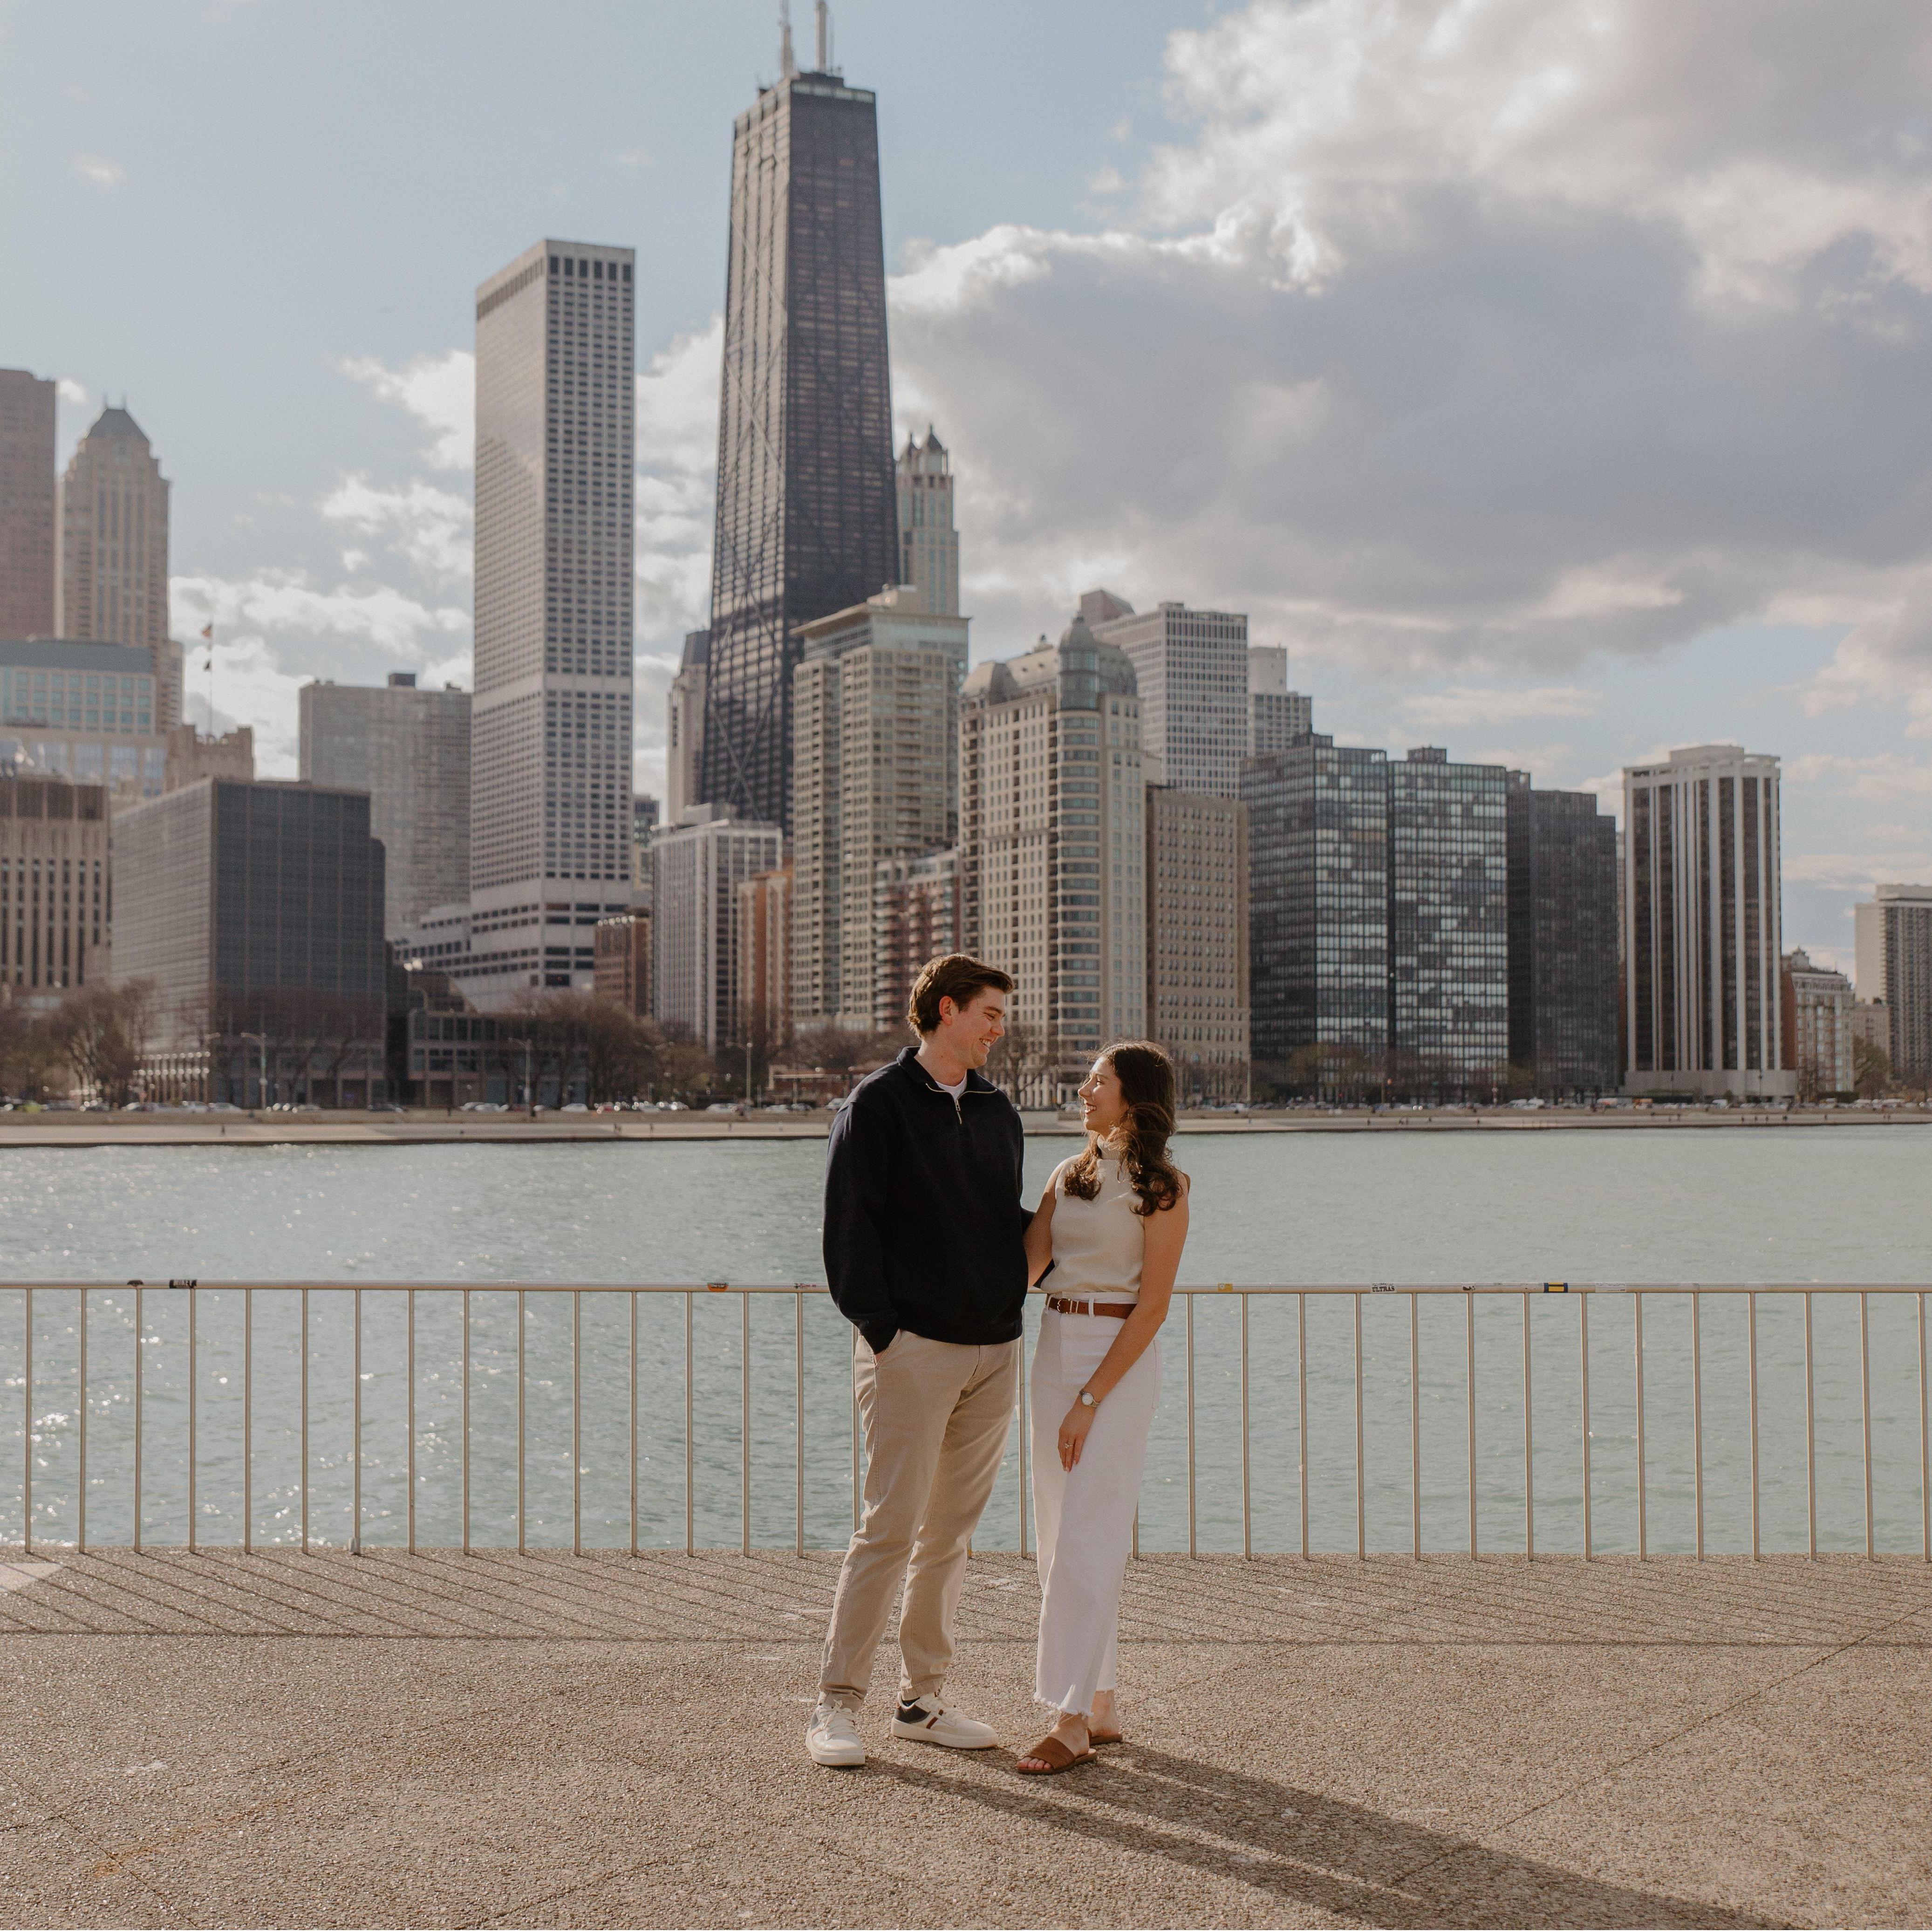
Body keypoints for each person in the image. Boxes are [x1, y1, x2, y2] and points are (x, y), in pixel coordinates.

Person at [806, 954, 1029, 1768]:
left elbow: (1001, 1221)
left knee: (950, 1537)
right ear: (946, 1010)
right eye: (990, 1013)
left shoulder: (999, 1111)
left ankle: (921, 1701)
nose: (999, 1028)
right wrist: (883, 1332)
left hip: (994, 1349)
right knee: (889, 1530)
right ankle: (836, 1705)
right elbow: (849, 1227)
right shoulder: (878, 1104)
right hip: (912, 1351)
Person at [1015, 1041, 1189, 1775]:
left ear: (1135, 1096)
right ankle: (1103, 1700)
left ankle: (1071, 1719)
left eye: (1098, 1082)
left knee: (1090, 1534)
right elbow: (1028, 1269)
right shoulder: (1070, 1174)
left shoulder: (1164, 1188)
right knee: (1059, 1533)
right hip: (1056, 1341)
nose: (1083, 1091)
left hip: (1116, 1357)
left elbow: (1152, 1309)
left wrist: (1090, 1399)